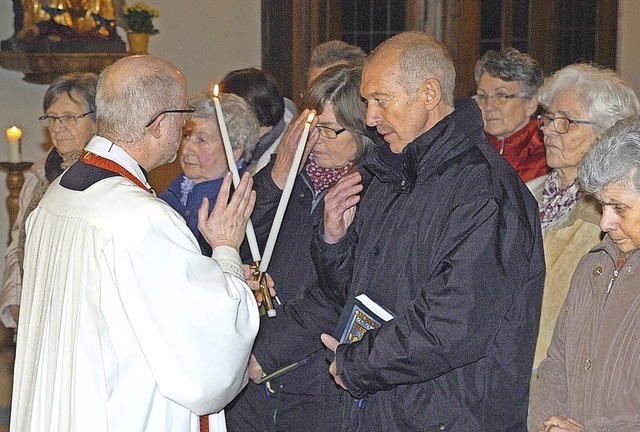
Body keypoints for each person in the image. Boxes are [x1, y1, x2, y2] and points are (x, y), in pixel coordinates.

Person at [249, 31, 545, 431]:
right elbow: (353, 292)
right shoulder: (391, 174)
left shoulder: (483, 191)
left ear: (428, 93)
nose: (370, 117)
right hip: (384, 407)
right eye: (369, 102)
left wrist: (356, 363)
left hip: (446, 413)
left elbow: (453, 323)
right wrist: (334, 242)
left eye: (380, 101)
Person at [10, 55, 260, 432]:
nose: (184, 127)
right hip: (122, 413)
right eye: (183, 115)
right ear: (160, 124)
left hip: (72, 407)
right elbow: (205, 355)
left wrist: (211, 276)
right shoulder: (144, 218)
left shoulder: (59, 193)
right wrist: (225, 249)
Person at [225, 64, 374, 432]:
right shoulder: (289, 173)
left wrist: (268, 350)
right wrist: (276, 178)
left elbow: (344, 289)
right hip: (250, 368)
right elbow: (235, 238)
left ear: (362, 130)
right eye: (311, 126)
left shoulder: (371, 190)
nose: (315, 140)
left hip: (314, 381)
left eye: (328, 129)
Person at [528, 117, 640, 432]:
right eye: (602, 205)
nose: (604, 223)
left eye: (619, 209)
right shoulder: (595, 265)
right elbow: (555, 367)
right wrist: (542, 426)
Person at [529, 64, 640, 374]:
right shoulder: (523, 194)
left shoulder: (613, 221)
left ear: (607, 134)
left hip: (565, 378)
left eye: (566, 121)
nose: (549, 129)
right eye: (548, 119)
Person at [0, 72, 98, 331]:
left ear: (98, 120)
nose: (56, 127)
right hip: (38, 309)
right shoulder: (39, 174)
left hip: (85, 313)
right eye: (51, 118)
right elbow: (19, 239)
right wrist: (17, 300)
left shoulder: (109, 175)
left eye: (68, 117)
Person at [159, 91, 259, 256]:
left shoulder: (240, 205)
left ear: (234, 151)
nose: (187, 149)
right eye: (186, 136)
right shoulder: (172, 193)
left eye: (201, 140)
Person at [474, 48, 548, 183]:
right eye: (482, 96)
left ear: (531, 103)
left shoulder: (548, 153)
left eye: (501, 96)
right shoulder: (471, 149)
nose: (489, 106)